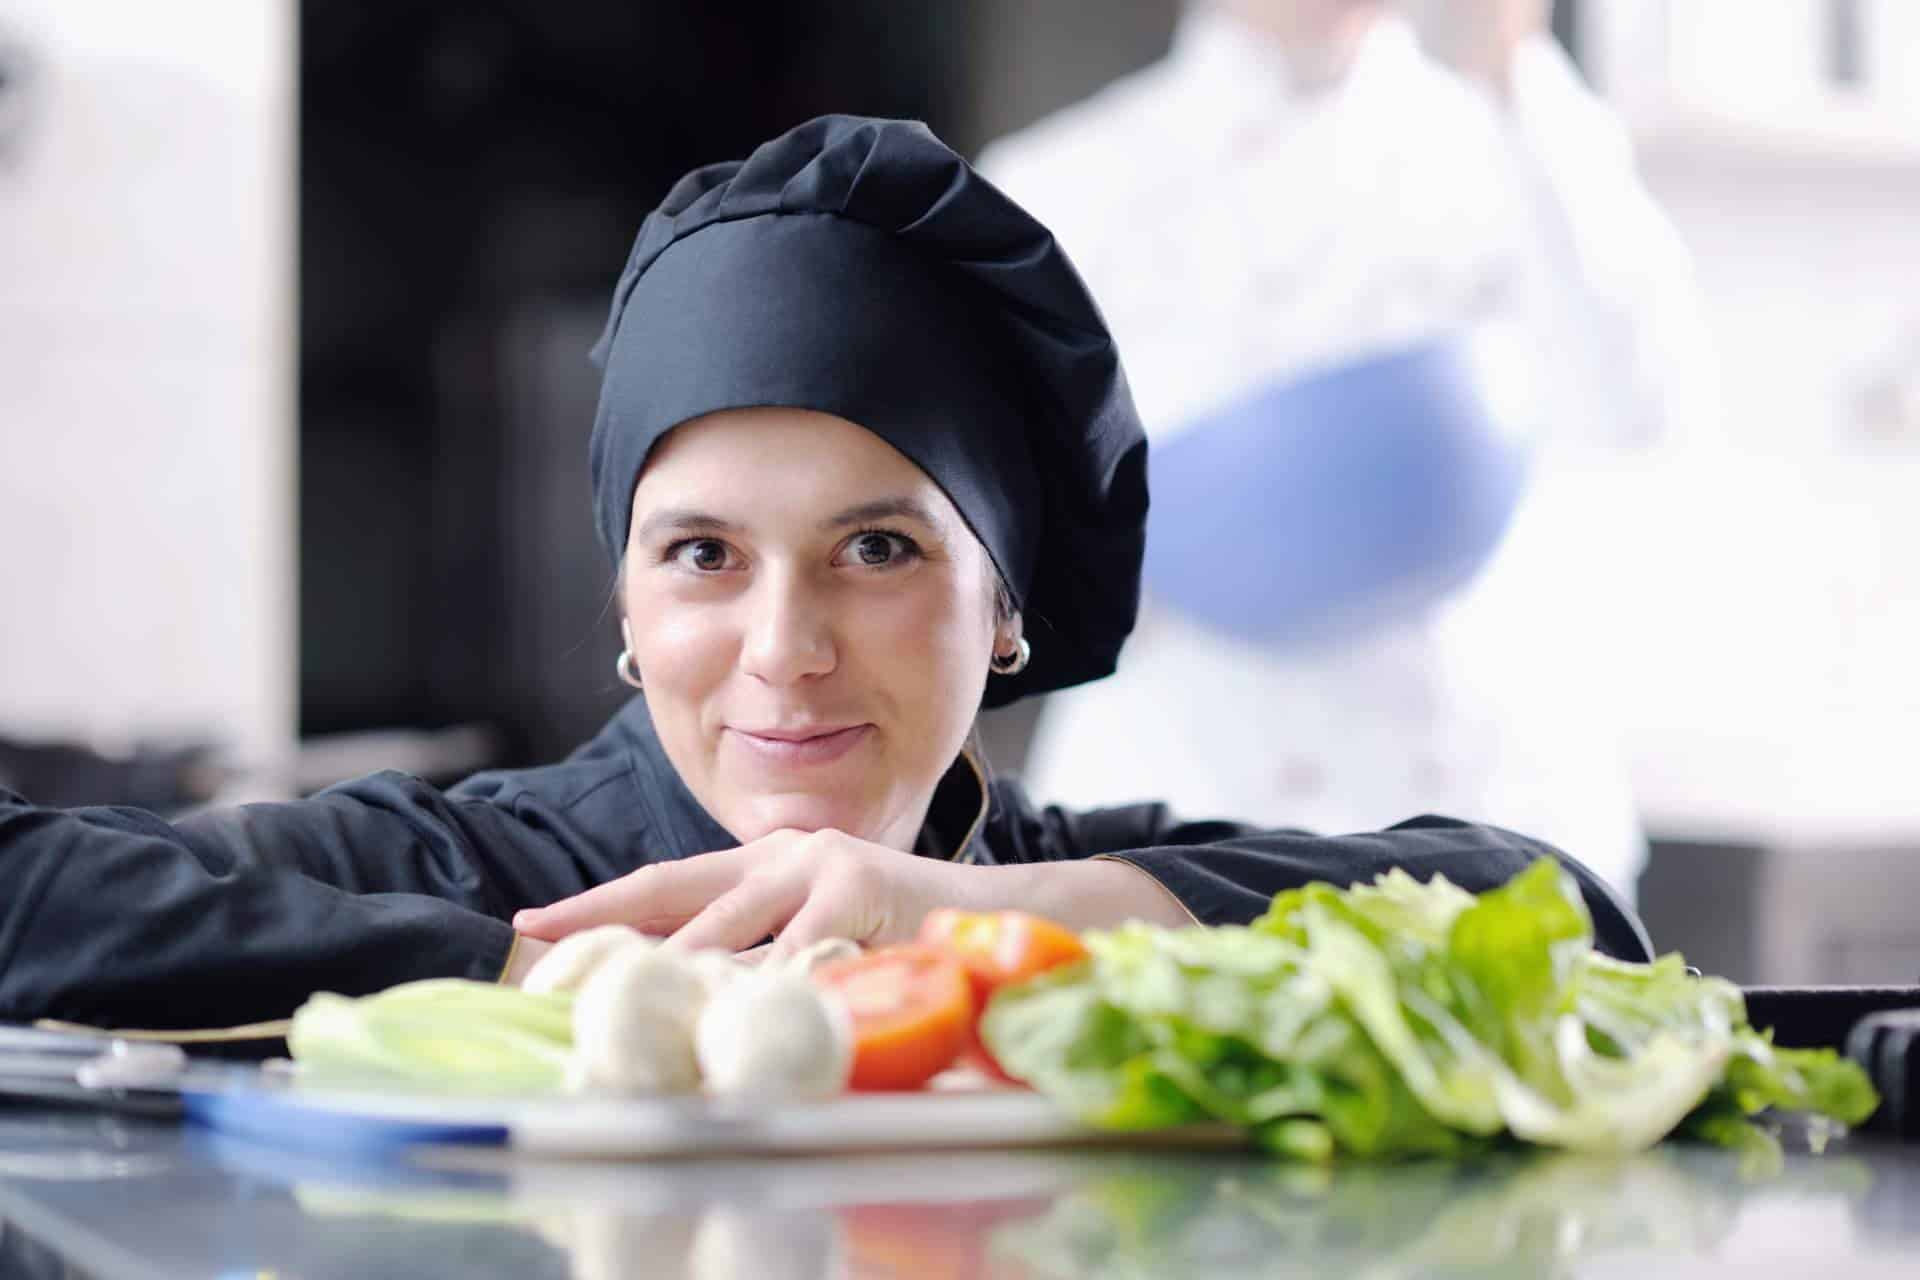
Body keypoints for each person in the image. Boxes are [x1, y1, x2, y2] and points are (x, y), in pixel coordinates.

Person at [0, 116, 1650, 1038]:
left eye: (878, 548)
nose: (784, 647)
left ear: (1007, 607)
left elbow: (1561, 913)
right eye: (702, 555)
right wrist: (557, 976)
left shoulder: (1050, 887)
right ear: (630, 607)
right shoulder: (469, 871)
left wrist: (981, 921)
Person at [978, 0, 1716, 901]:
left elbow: (1642, 403)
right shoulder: (1056, 185)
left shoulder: (1515, 133)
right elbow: (984, 535)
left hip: (1483, 798)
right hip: (1183, 801)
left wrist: (1510, 64)